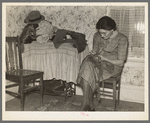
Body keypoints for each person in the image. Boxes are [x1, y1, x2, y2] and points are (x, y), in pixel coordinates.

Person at [76, 16, 128, 111]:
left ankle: (87, 105)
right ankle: (88, 105)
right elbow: (95, 51)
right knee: (87, 64)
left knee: (87, 71)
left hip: (113, 67)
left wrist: (105, 59)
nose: (102, 36)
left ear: (112, 29)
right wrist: (93, 53)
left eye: (104, 33)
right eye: (100, 33)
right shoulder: (97, 35)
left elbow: (120, 63)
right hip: (98, 64)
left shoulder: (122, 39)